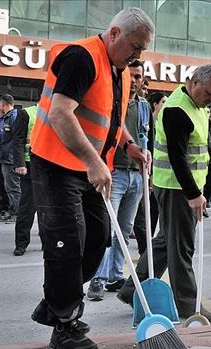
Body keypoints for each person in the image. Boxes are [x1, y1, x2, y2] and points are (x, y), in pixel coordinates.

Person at [28, 8, 154, 349]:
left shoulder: (121, 71)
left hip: (89, 168)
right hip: (55, 164)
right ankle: (65, 325)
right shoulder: (81, 57)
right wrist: (93, 161)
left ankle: (55, 304)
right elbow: (59, 112)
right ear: (114, 33)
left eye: (142, 49)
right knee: (67, 244)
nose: (138, 55)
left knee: (98, 239)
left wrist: (129, 145)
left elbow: (110, 118)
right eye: (135, 46)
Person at [118, 63, 211, 322]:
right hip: (177, 189)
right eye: (209, 93)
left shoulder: (197, 105)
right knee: (181, 250)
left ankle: (132, 289)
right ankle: (189, 307)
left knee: (166, 242)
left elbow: (197, 142)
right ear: (193, 82)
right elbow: (178, 158)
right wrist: (193, 194)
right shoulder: (177, 110)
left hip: (183, 187)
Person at [87, 60, 148, 300]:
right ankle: (97, 278)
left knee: (124, 229)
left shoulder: (143, 106)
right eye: (131, 76)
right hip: (113, 173)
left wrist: (147, 169)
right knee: (106, 228)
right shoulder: (112, 102)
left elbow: (147, 137)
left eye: (138, 77)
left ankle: (114, 275)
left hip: (136, 175)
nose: (134, 81)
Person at [132, 92, 165, 255]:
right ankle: (145, 248)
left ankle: (147, 248)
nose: (166, 104)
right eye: (163, 102)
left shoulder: (164, 122)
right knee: (143, 215)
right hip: (140, 170)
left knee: (150, 212)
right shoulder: (148, 119)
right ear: (156, 104)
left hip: (156, 174)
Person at [0, 94, 29, 223]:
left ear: (3, 105)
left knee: (13, 187)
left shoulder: (13, 117)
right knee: (9, 187)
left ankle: (17, 213)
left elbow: (16, 139)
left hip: (10, 158)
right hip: (7, 157)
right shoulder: (9, 117)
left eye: (0, 106)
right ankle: (13, 210)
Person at [12, 104, 37, 255]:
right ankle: (21, 243)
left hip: (51, 166)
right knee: (27, 207)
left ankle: (48, 243)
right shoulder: (27, 113)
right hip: (30, 164)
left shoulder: (57, 113)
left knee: (49, 208)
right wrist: (20, 164)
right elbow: (18, 140)